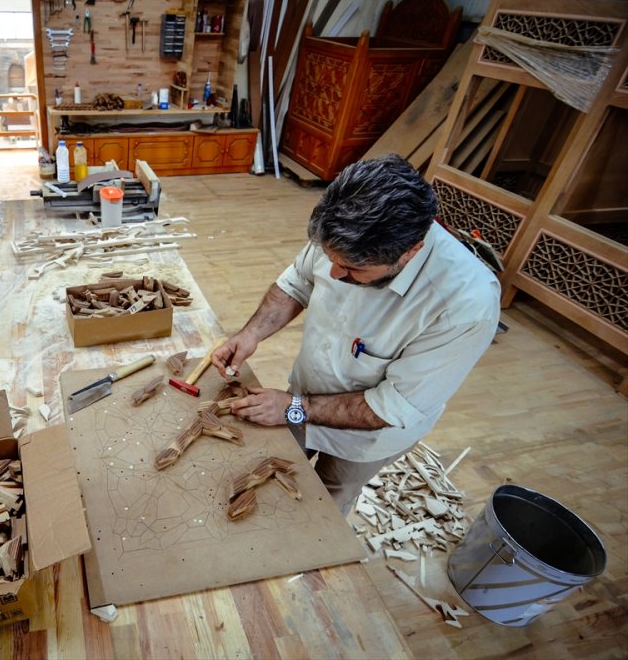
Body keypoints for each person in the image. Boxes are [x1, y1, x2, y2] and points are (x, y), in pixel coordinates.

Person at [211, 154, 500, 516]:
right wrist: (251, 334)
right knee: (273, 474)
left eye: (350, 268)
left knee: (325, 503)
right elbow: (299, 280)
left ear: (409, 252)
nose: (332, 273)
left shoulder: (465, 304)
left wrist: (293, 408)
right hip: (305, 394)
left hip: (367, 436)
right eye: (330, 257)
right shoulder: (343, 232)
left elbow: (389, 406)